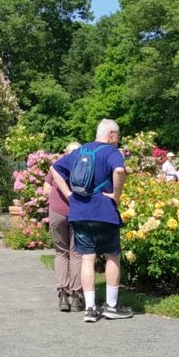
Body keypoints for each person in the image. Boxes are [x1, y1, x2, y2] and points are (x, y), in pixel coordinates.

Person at [51, 119, 132, 322]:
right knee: (112, 255)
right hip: (103, 212)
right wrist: (116, 194)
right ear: (111, 135)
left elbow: (55, 169)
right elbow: (120, 171)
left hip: (79, 212)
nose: (118, 140)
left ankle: (89, 308)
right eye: (118, 136)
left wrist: (69, 194)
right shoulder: (111, 152)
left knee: (88, 258)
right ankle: (111, 306)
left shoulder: (80, 151)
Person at [43, 141, 83, 312]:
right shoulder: (84, 168)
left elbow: (45, 191)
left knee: (61, 252)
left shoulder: (57, 166)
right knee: (77, 254)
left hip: (57, 212)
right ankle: (76, 296)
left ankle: (62, 295)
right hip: (79, 213)